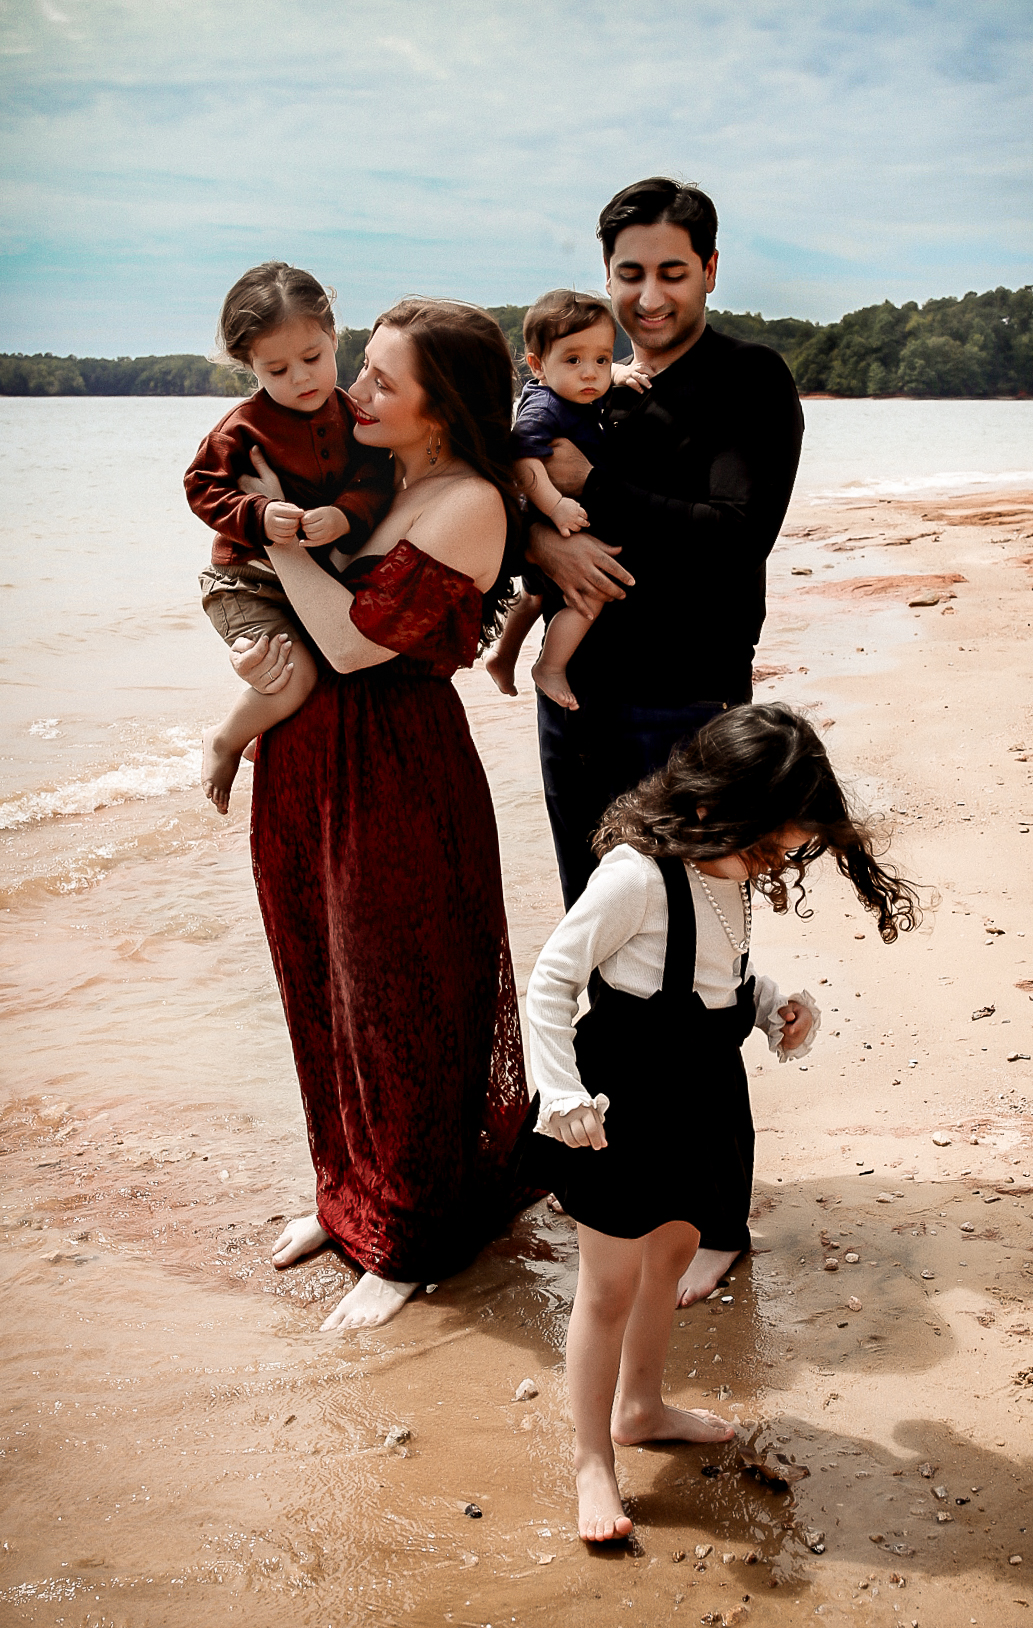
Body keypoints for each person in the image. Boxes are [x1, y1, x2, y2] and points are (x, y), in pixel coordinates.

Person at [524, 704, 919, 1541]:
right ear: (708, 808)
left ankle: (640, 1405)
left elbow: (719, 976)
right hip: (616, 1104)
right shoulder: (635, 877)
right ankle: (594, 1462)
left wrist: (774, 1006)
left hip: (699, 1094)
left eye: (784, 853)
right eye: (765, 847)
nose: (773, 864)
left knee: (672, 1250)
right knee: (608, 1285)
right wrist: (557, 1095)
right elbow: (550, 982)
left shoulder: (726, 876)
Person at [225, 298, 531, 1331]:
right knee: (320, 984)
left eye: (381, 382)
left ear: (438, 410)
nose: (354, 393)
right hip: (306, 758)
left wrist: (282, 539)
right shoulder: (371, 475)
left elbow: (355, 646)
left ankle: (405, 1239)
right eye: (361, 373)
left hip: (399, 768)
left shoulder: (470, 501)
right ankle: (343, 1196)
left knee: (399, 998)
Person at [525, 176, 805, 1305]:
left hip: (689, 711)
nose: (647, 296)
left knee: (702, 969)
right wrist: (546, 548)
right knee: (606, 954)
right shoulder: (584, 377)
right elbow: (513, 493)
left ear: (712, 270)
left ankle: (715, 1217)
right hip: (580, 703)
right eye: (628, 273)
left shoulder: (749, 382)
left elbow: (735, 538)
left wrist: (601, 491)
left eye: (671, 272)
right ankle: (622, 1182)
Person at [187, 261, 394, 814]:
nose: (301, 379)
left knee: (330, 666)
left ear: (333, 338)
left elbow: (374, 481)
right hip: (246, 582)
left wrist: (346, 515)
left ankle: (265, 732)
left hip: (310, 579)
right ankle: (226, 738)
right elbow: (201, 487)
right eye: (276, 370)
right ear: (249, 365)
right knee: (294, 674)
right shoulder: (242, 427)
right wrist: (256, 513)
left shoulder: (353, 415)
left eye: (312, 359)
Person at [485, 289, 647, 708]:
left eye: (603, 359)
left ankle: (502, 655)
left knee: (536, 595)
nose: (590, 374)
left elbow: (592, 376)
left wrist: (621, 375)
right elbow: (522, 458)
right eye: (573, 360)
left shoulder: (575, 391)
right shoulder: (543, 408)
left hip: (552, 522)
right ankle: (550, 666)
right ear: (538, 365)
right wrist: (554, 506)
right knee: (591, 592)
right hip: (549, 515)